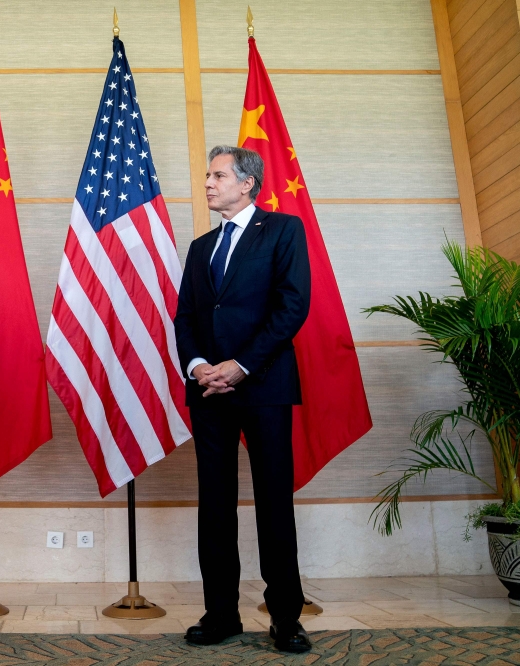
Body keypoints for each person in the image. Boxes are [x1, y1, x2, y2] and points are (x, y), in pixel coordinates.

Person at [174, 145, 312, 653]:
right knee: (215, 507)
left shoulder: (283, 230)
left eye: (217, 175)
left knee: (274, 503)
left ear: (247, 182)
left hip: (264, 386)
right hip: (209, 392)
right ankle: (221, 614)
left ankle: (285, 618)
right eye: (208, 176)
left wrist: (240, 365)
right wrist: (198, 368)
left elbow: (292, 305)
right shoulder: (200, 247)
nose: (208, 183)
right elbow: (185, 317)